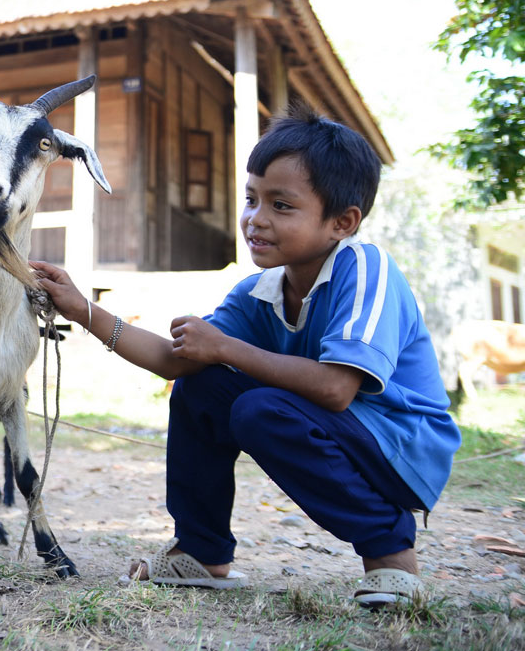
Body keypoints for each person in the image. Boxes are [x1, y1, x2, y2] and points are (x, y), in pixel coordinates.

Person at [31, 104, 460, 606]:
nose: (256, 219)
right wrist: (83, 309)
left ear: (342, 222)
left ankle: (391, 554)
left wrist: (226, 347)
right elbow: (176, 360)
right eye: (252, 199)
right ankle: (203, 553)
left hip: (401, 448)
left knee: (259, 410)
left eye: (282, 206)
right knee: (201, 385)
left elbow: (336, 389)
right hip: (341, 432)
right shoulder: (260, 289)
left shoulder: (365, 269)